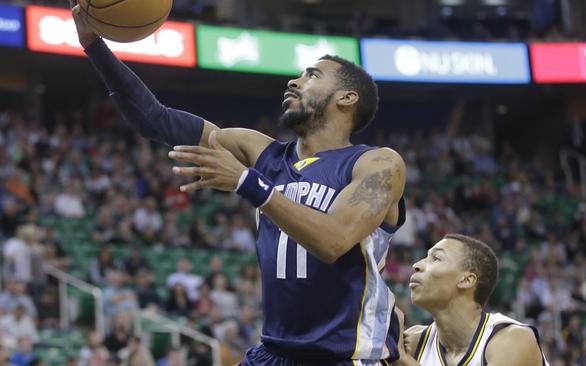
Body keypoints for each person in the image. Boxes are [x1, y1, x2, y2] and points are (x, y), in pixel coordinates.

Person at [70, 1, 406, 364]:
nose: (294, 81)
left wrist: (248, 183)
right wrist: (94, 45)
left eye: (311, 75)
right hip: (273, 353)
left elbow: (333, 240)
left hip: (342, 357)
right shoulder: (260, 151)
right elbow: (156, 120)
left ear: (347, 97)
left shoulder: (378, 163)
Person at [394, 234, 550, 366]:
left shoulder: (513, 339)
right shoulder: (415, 341)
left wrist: (406, 361)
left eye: (436, 258)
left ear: (467, 280)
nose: (416, 265)